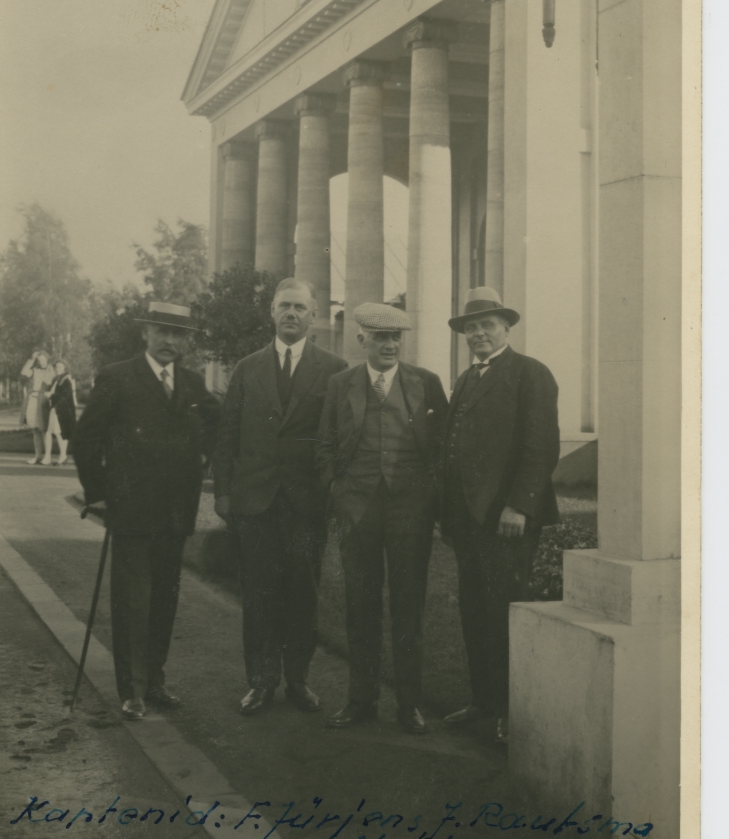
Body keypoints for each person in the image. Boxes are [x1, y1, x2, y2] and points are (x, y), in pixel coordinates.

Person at [73, 302, 220, 720]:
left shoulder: (191, 384)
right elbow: (86, 440)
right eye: (162, 332)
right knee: (133, 601)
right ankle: (132, 691)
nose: (170, 341)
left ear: (187, 341)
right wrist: (97, 493)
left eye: (179, 334)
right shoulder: (117, 377)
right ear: (145, 334)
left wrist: (204, 454)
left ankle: (155, 681)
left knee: (164, 599)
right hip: (131, 510)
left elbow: (218, 421)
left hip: (175, 513)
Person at [213, 278, 347, 717]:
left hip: (306, 504)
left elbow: (340, 440)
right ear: (271, 312)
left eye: (300, 308)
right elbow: (227, 435)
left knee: (303, 594)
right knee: (259, 594)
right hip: (256, 502)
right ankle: (260, 681)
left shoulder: (334, 369)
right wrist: (224, 494)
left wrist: (332, 496)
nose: (292, 314)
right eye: (284, 306)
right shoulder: (247, 368)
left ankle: (298, 680)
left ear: (314, 316)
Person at [316, 303, 449, 735]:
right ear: (362, 341)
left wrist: (430, 498)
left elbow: (443, 449)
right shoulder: (341, 384)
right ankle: (361, 699)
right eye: (380, 337)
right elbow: (325, 444)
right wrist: (337, 490)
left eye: (396, 338)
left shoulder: (425, 383)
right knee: (361, 605)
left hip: (410, 511)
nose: (390, 345)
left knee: (408, 606)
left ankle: (409, 704)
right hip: (357, 510)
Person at [441, 287, 560, 744]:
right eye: (471, 328)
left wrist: (518, 505)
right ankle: (483, 700)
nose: (478, 334)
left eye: (487, 325)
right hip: (469, 521)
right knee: (475, 611)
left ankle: (513, 711)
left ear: (506, 328)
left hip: (507, 520)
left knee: (507, 611)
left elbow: (541, 446)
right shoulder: (466, 379)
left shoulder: (530, 373)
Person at [20, 349, 55, 465]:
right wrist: (32, 359)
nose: (42, 362)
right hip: (32, 399)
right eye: (39, 360)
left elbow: (52, 384)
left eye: (43, 359)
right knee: (35, 429)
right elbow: (24, 373)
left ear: (47, 359)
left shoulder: (51, 370)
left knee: (44, 429)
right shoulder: (35, 370)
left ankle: (48, 456)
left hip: (44, 400)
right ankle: (38, 456)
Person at [42, 360, 77, 465]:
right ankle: (52, 457)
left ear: (65, 369)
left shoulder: (66, 380)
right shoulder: (57, 379)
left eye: (60, 367)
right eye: (56, 367)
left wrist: (51, 396)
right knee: (51, 432)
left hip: (62, 410)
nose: (58, 369)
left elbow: (65, 396)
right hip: (57, 408)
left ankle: (62, 456)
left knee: (58, 432)